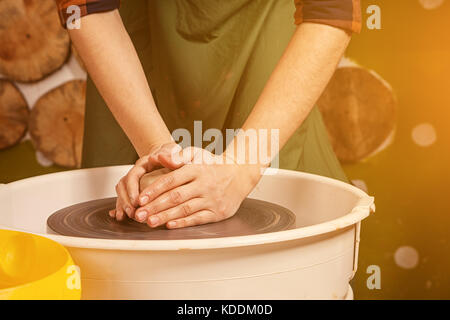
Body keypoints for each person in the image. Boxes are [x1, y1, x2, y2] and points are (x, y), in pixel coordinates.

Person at [55, 0, 361, 229]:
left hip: (268, 71)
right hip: (134, 77)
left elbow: (331, 11)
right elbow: (87, 7)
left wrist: (243, 166)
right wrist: (159, 153)